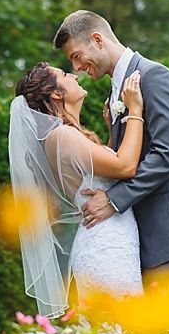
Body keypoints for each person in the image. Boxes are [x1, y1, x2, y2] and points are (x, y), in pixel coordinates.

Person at [54, 9, 169, 285]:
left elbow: (167, 154)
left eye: (77, 56)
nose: (77, 67)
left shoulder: (154, 77)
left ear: (98, 40)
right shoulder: (115, 93)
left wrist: (113, 200)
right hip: (143, 238)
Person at [9, 61, 145, 317]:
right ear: (57, 93)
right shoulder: (62, 137)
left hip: (111, 238)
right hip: (105, 245)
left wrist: (111, 135)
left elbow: (100, 176)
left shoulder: (66, 136)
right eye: (63, 74)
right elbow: (125, 167)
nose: (73, 75)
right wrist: (135, 109)